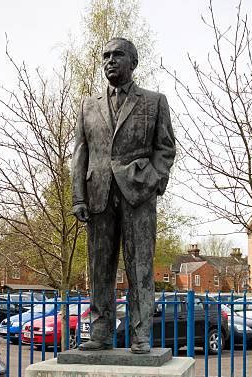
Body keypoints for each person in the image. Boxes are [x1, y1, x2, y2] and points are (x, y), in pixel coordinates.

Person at [72, 37, 176, 354]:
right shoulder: (88, 105)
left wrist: (154, 180)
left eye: (117, 55)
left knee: (140, 267)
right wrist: (79, 197)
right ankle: (100, 333)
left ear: (133, 62)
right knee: (99, 267)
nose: (110, 61)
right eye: (105, 56)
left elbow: (166, 148)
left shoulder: (154, 101)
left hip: (138, 194)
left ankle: (141, 334)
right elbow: (81, 153)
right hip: (99, 193)